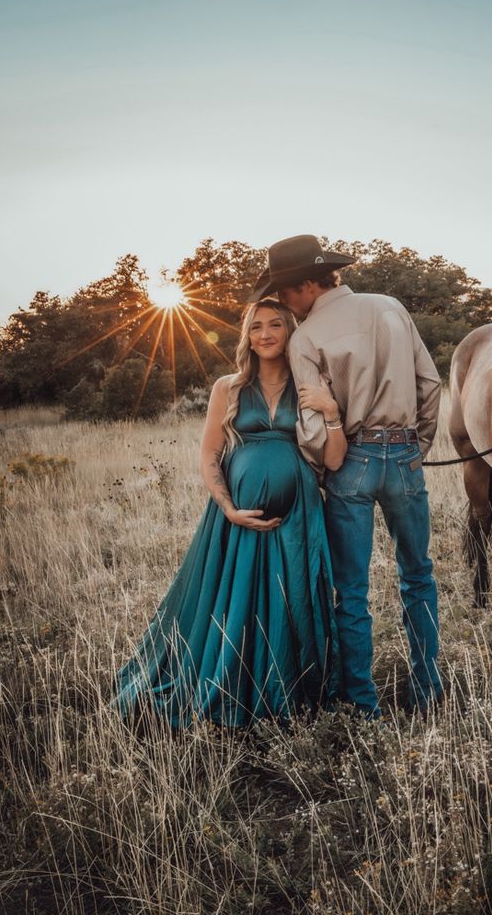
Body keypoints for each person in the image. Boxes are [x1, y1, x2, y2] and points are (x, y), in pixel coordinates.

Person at [113, 299, 346, 727]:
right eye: (256, 327)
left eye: (277, 324)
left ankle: (290, 692)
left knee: (292, 596)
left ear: (292, 332)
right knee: (232, 602)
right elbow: (209, 455)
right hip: (234, 519)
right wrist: (228, 508)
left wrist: (331, 413)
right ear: (247, 337)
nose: (266, 333)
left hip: (297, 518)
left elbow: (332, 461)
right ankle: (228, 685)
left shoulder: (311, 385)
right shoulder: (229, 387)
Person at [249, 235, 443, 718]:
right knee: (418, 576)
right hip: (404, 457)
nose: (288, 307)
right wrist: (414, 449)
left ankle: (362, 702)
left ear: (307, 286)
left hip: (350, 461)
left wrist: (324, 463)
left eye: (287, 294)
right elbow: (430, 384)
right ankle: (428, 691)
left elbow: (315, 432)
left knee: (351, 591)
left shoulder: (307, 337)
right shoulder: (391, 306)